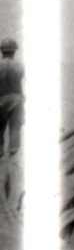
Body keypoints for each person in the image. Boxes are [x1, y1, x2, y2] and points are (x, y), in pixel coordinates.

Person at [0, 38, 24, 210]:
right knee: (15, 129)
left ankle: (1, 154)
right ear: (14, 51)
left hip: (1, 99)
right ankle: (13, 155)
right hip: (16, 98)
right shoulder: (19, 66)